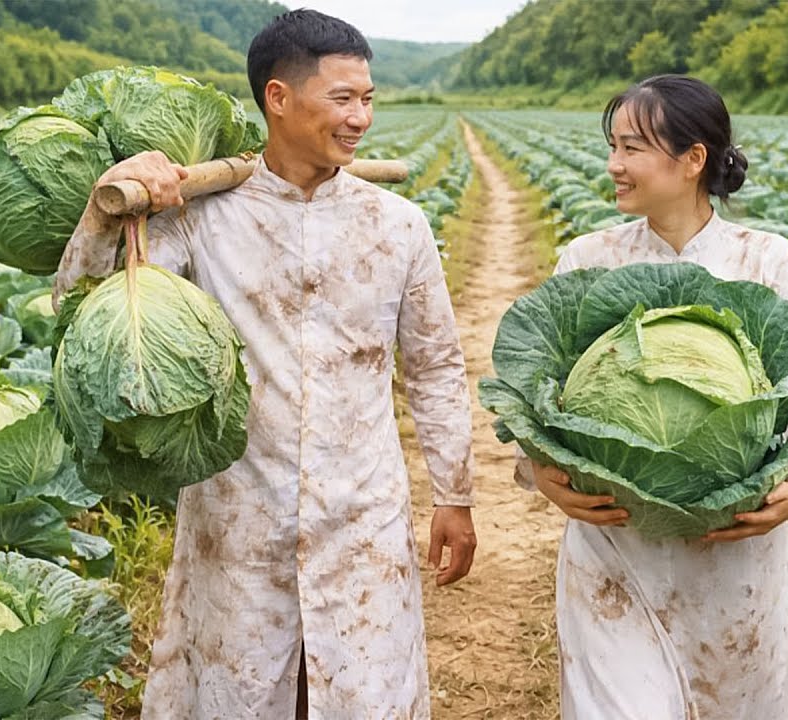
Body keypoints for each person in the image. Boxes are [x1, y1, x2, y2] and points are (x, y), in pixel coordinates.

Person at [53, 10, 477, 719]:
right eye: (343, 99)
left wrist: (455, 495)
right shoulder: (200, 219)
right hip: (239, 513)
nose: (360, 119)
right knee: (241, 693)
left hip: (362, 511)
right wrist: (108, 210)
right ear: (278, 97)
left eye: (368, 99)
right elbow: (82, 306)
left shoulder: (397, 225)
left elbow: (434, 366)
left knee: (363, 694)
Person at [517, 75, 788, 719]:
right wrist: (541, 468)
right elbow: (535, 390)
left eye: (631, 149)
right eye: (612, 147)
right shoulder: (589, 260)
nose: (614, 165)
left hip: (736, 552)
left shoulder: (769, 261)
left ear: (693, 159)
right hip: (614, 549)